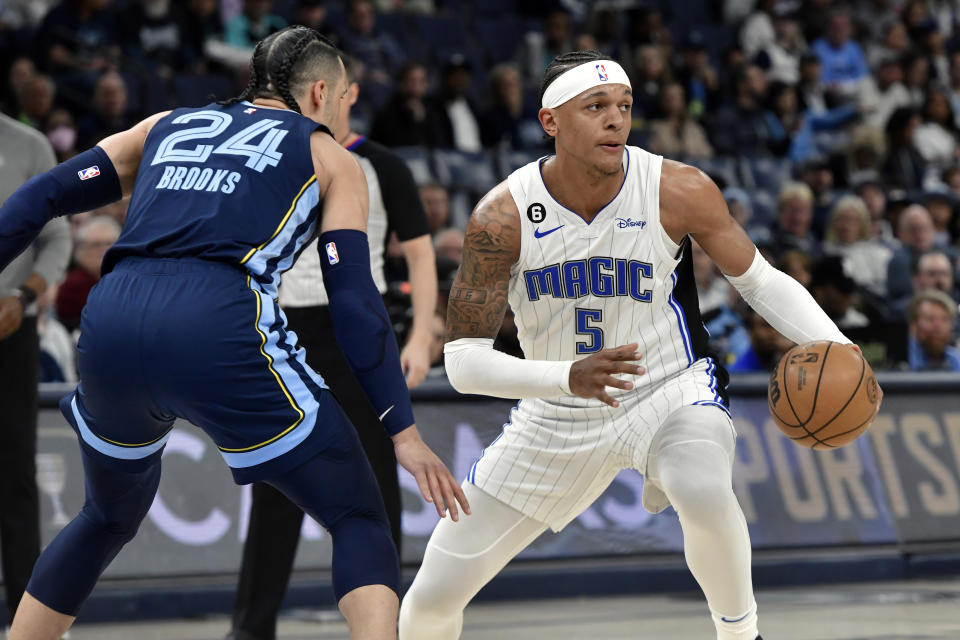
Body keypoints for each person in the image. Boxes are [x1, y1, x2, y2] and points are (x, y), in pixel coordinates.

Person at [0, 26, 467, 640]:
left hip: (113, 315)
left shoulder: (166, 123)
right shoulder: (330, 155)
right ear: (322, 90)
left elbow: (42, 196)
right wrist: (401, 430)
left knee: (105, 517)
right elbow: (354, 301)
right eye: (345, 94)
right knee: (356, 515)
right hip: (216, 319)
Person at [398, 50, 880, 640]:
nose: (615, 120)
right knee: (429, 602)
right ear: (550, 121)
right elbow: (463, 362)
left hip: (668, 389)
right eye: (595, 106)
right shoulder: (502, 217)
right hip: (557, 414)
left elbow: (759, 280)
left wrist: (836, 343)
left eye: (624, 106)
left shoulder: (675, 188)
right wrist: (565, 378)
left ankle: (741, 634)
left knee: (702, 487)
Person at [227, 54, 438, 640]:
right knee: (274, 487)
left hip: (355, 333)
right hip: (279, 330)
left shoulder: (381, 164)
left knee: (375, 484)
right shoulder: (270, 156)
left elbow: (419, 253)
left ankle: (386, 625)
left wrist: (421, 335)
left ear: (344, 93)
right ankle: (250, 628)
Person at [0, 111, 71, 629]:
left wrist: (26, 294)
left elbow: (58, 237)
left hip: (10, 327)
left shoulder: (27, 145)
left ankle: (28, 615)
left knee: (15, 470)